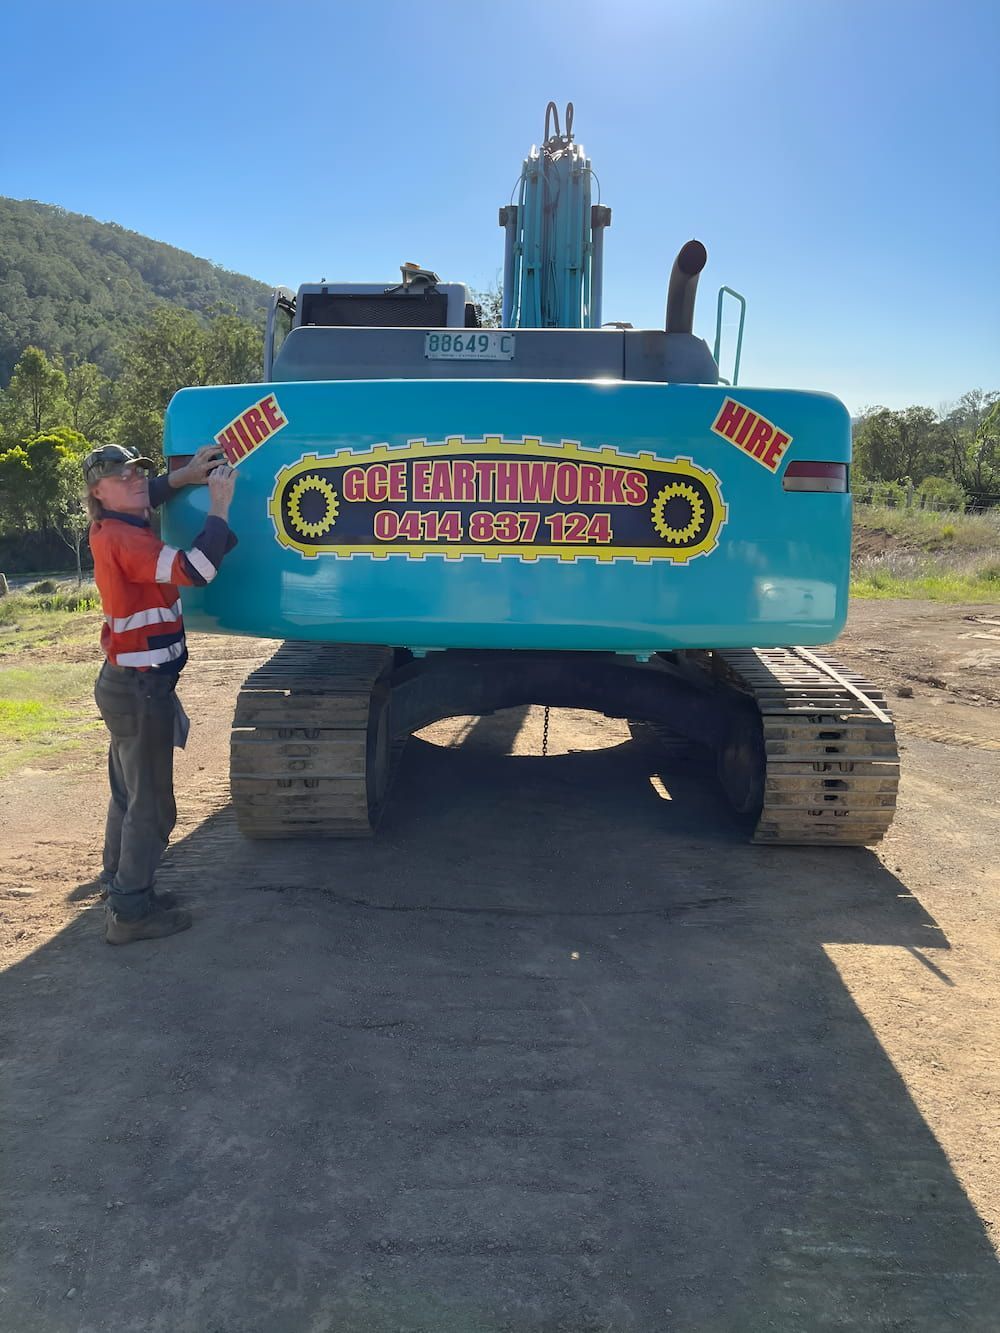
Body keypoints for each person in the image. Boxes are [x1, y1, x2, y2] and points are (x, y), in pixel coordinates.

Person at [83, 442, 238, 944]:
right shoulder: (128, 542)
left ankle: (122, 886)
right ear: (96, 493)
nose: (133, 481)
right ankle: (130, 915)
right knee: (152, 806)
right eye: (118, 477)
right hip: (140, 689)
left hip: (124, 681)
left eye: (135, 473)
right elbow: (197, 570)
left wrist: (183, 476)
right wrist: (218, 504)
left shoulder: (114, 523)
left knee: (128, 794)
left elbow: (146, 493)